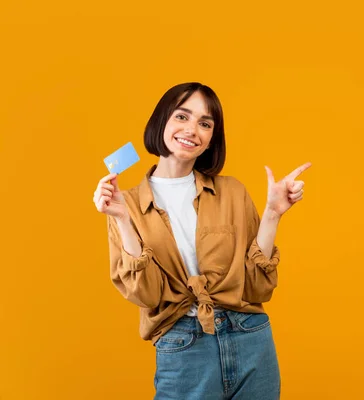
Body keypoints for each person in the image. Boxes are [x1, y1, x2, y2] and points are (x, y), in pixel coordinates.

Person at [92, 82, 310, 399]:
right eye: (182, 116)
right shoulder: (126, 205)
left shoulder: (232, 191)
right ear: (161, 122)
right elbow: (147, 295)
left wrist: (273, 213)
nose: (192, 129)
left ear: (210, 140)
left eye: (205, 124)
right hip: (183, 348)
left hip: (250, 340)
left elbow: (258, 288)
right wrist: (122, 218)